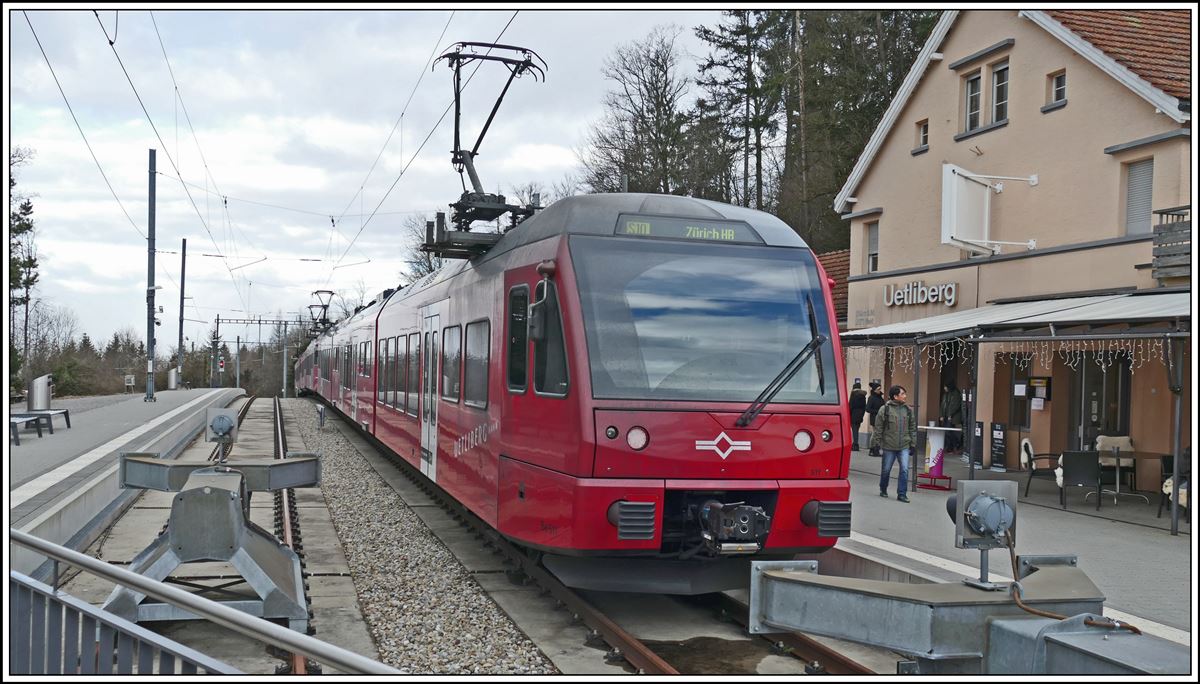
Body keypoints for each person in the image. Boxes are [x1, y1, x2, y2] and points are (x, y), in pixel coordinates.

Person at [870, 384, 916, 502]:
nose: (905, 396)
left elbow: (912, 428)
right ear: (895, 396)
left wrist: (913, 444)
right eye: (903, 394)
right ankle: (883, 488)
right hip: (889, 445)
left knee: (905, 469)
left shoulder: (908, 410)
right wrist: (875, 443)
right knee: (886, 470)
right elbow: (878, 428)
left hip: (904, 445)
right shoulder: (884, 409)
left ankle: (902, 494)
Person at [939, 379, 963, 453]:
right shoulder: (946, 394)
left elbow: (955, 406)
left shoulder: (956, 393)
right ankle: (950, 447)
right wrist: (942, 415)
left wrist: (950, 414)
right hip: (947, 416)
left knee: (950, 432)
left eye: (945, 386)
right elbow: (943, 405)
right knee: (947, 432)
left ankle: (955, 446)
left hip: (953, 417)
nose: (944, 388)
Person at [865, 381, 885, 456]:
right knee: (875, 434)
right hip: (875, 418)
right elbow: (867, 409)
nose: (880, 390)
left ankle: (875, 449)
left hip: (881, 419)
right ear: (874, 390)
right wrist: (878, 411)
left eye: (880, 389)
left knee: (878, 434)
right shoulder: (871, 398)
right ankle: (873, 449)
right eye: (878, 389)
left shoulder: (880, 398)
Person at [848, 381, 868, 451]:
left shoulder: (853, 395)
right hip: (860, 416)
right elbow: (864, 407)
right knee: (856, 430)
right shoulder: (863, 396)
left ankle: (855, 445)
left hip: (853, 415)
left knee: (854, 430)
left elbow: (850, 406)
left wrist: (849, 415)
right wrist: (862, 415)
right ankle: (855, 444)